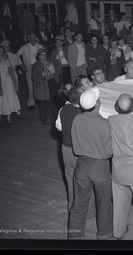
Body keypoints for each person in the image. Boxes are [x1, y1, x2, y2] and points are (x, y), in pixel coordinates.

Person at [69, 88, 113, 240]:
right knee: (104, 204)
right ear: (97, 103)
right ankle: (104, 235)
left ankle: (74, 236)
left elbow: (75, 146)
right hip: (99, 168)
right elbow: (108, 152)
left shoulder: (77, 119)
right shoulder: (104, 123)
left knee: (79, 203)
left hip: (81, 166)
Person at [108, 94, 133, 240]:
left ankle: (118, 232)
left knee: (119, 206)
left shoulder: (111, 120)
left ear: (117, 107)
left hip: (118, 171)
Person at [55, 87, 96, 218]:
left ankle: (74, 209)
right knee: (86, 182)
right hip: (82, 152)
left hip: (66, 150)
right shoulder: (86, 114)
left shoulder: (63, 109)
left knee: (71, 180)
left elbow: (59, 127)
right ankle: (89, 212)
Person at [0, 46, 20, 126]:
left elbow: (11, 73)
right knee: (0, 101)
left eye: (2, 51)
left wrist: (15, 84)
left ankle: (9, 118)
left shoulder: (7, 60)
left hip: (8, 83)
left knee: (9, 99)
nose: (0, 53)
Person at [31, 48, 60, 125]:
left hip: (51, 84)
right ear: (39, 56)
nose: (44, 56)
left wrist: (54, 74)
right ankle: (43, 119)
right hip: (42, 86)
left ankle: (55, 118)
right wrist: (41, 76)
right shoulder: (36, 65)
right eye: (42, 55)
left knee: (52, 102)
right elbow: (34, 77)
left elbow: (55, 74)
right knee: (43, 104)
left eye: (45, 55)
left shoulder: (50, 63)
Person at [16, 32, 43, 110]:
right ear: (28, 39)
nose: (33, 39)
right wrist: (21, 65)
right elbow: (16, 55)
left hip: (38, 67)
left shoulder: (39, 46)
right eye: (31, 37)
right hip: (29, 67)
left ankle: (39, 101)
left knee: (39, 84)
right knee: (30, 85)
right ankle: (31, 103)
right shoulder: (24, 47)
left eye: (34, 37)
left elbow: (44, 55)